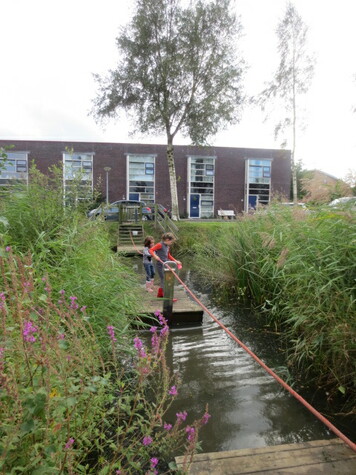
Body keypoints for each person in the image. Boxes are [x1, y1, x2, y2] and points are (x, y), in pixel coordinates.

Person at [149, 232, 182, 298]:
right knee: (164, 279)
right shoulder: (160, 245)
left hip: (166, 264)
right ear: (167, 240)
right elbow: (151, 250)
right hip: (160, 265)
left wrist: (175, 261)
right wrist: (155, 256)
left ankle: (160, 294)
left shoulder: (167, 246)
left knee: (166, 279)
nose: (171, 243)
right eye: (171, 242)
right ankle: (166, 295)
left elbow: (168, 255)